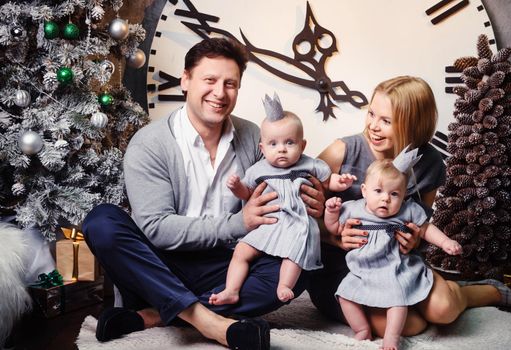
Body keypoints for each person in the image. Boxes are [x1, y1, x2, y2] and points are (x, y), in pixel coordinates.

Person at [81, 37, 325, 350]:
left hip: (227, 266)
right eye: (209, 80)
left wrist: (312, 199)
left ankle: (153, 315)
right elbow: (156, 228)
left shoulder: (254, 137)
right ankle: (211, 323)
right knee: (102, 222)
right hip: (160, 265)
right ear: (185, 80)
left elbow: (284, 183)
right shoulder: (150, 144)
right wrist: (238, 223)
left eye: (231, 83)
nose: (220, 93)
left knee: (298, 266)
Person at [308, 75, 511, 337]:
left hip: (398, 264)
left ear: (413, 125)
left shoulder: (429, 163)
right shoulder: (342, 152)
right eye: (372, 114)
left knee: (444, 310)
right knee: (410, 326)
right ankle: (433, 295)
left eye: (386, 121)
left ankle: (474, 293)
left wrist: (414, 241)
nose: (373, 126)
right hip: (344, 268)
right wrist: (332, 235)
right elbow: (297, 212)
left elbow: (421, 224)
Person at [209, 94, 355, 305]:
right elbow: (248, 194)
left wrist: (340, 182)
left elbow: (326, 180)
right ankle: (231, 289)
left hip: (297, 225)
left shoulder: (309, 164)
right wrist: (237, 187)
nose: (282, 149)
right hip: (269, 224)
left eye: (289, 142)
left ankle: (284, 284)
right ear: (262, 148)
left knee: (294, 254)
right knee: (241, 251)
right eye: (273, 144)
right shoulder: (258, 169)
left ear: (303, 145)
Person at [324, 155, 462, 350]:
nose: (385, 198)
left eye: (394, 194)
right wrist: (331, 211)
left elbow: (425, 229)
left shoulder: (407, 211)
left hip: (394, 268)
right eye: (378, 191)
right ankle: (362, 329)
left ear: (404, 195)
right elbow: (334, 229)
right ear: (364, 191)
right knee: (345, 295)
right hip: (362, 270)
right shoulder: (354, 209)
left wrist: (445, 242)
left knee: (397, 298)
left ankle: (391, 337)